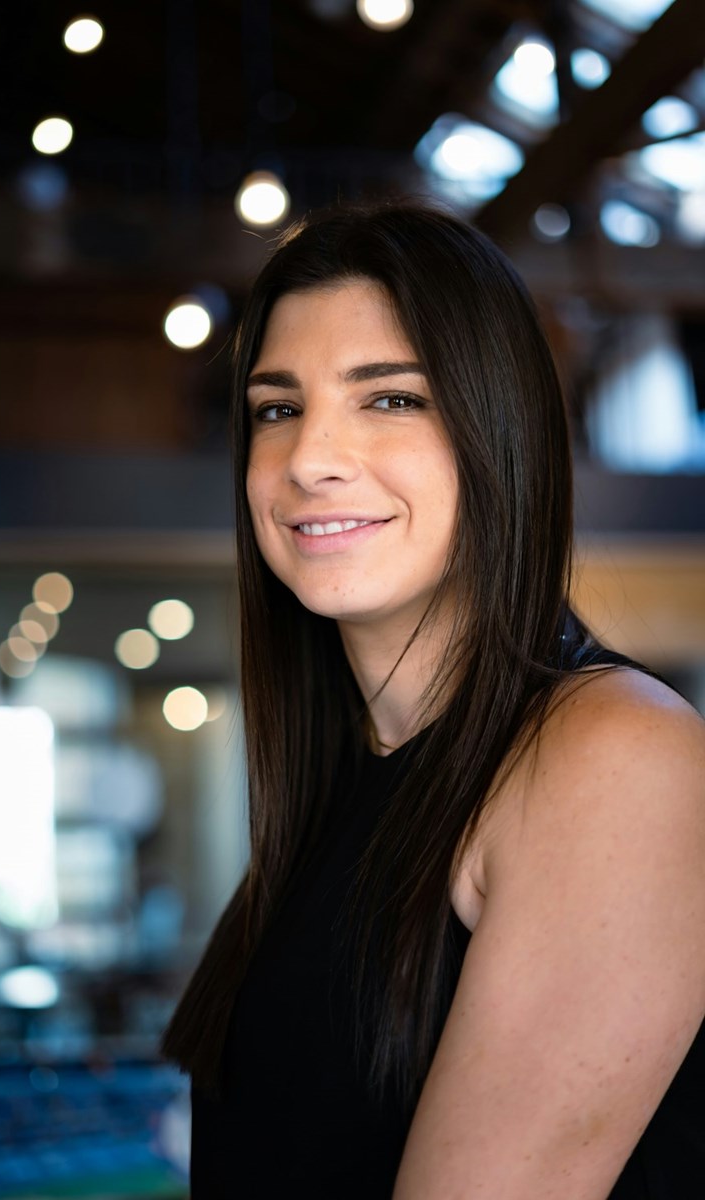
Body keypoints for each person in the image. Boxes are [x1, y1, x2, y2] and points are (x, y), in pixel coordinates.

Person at [162, 202, 705, 1198]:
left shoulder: (612, 756)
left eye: (390, 400)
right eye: (277, 408)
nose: (310, 458)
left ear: (498, 435)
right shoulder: (335, 793)